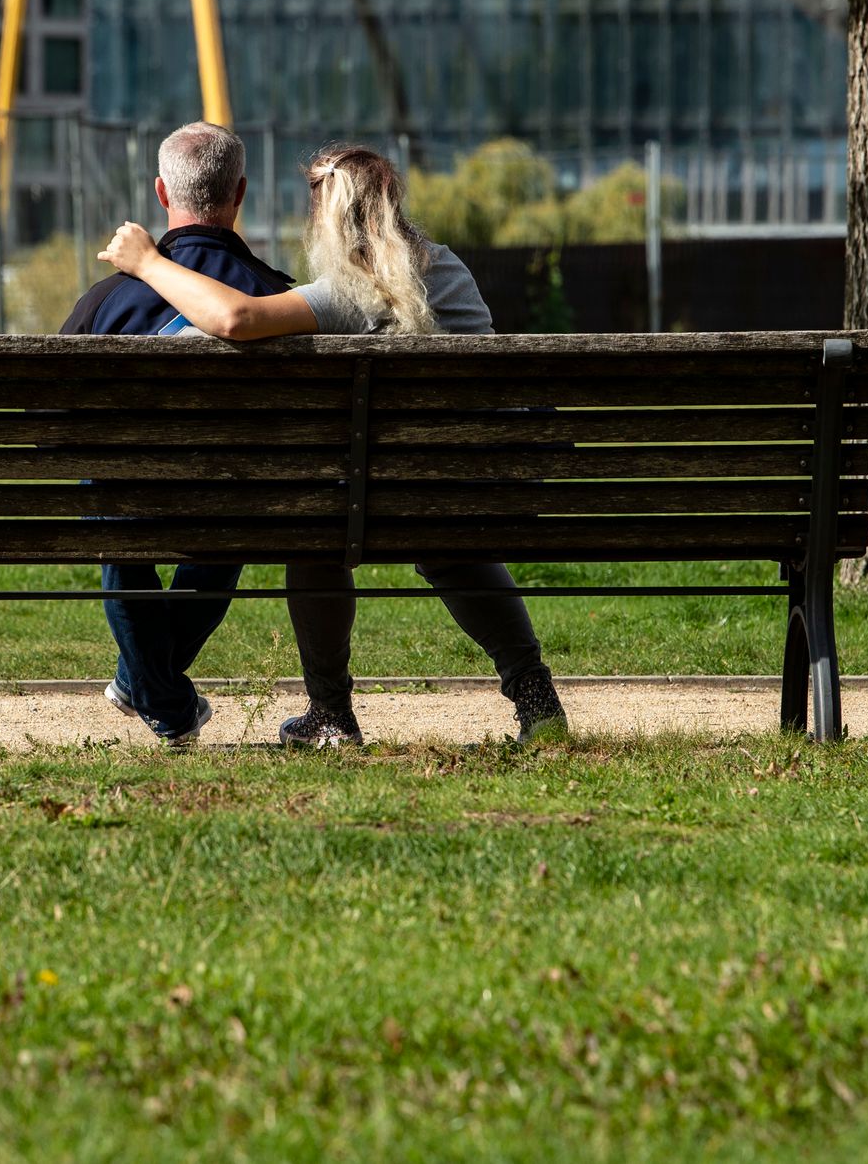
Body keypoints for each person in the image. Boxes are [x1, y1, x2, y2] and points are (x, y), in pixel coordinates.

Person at [97, 144, 568, 748]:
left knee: (315, 539)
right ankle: (534, 697)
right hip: (455, 500)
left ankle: (332, 715)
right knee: (447, 543)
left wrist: (146, 263)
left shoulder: (342, 296)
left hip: (350, 514)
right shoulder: (448, 272)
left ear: (327, 217)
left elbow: (235, 318)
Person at [66, 121, 296, 747]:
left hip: (127, 505)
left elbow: (51, 419)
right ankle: (150, 686)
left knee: (117, 514)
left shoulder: (107, 300)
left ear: (163, 193)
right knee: (233, 520)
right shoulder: (280, 298)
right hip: (234, 502)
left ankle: (155, 692)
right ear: (240, 192)